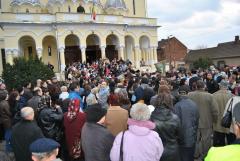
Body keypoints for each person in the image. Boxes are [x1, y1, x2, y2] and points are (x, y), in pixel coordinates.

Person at [188, 80, 218, 160]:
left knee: (195, 139)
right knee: (206, 140)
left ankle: (195, 154)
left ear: (196, 86)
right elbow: (215, 111)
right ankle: (205, 155)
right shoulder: (209, 96)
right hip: (207, 121)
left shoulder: (190, 95)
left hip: (193, 121)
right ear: (204, 86)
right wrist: (214, 120)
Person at [150, 85, 182, 161]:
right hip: (172, 151)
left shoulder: (150, 118)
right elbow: (180, 135)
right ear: (170, 102)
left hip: (156, 151)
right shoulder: (175, 118)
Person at [173, 86, 199, 161]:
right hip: (192, 136)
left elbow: (175, 124)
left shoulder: (177, 106)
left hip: (181, 139)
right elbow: (197, 120)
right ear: (188, 93)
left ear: (178, 93)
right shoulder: (194, 104)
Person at [212, 80, 235, 146]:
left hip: (217, 124)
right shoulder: (232, 96)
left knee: (219, 146)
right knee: (231, 145)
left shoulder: (213, 95)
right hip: (229, 124)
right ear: (227, 87)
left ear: (220, 86)